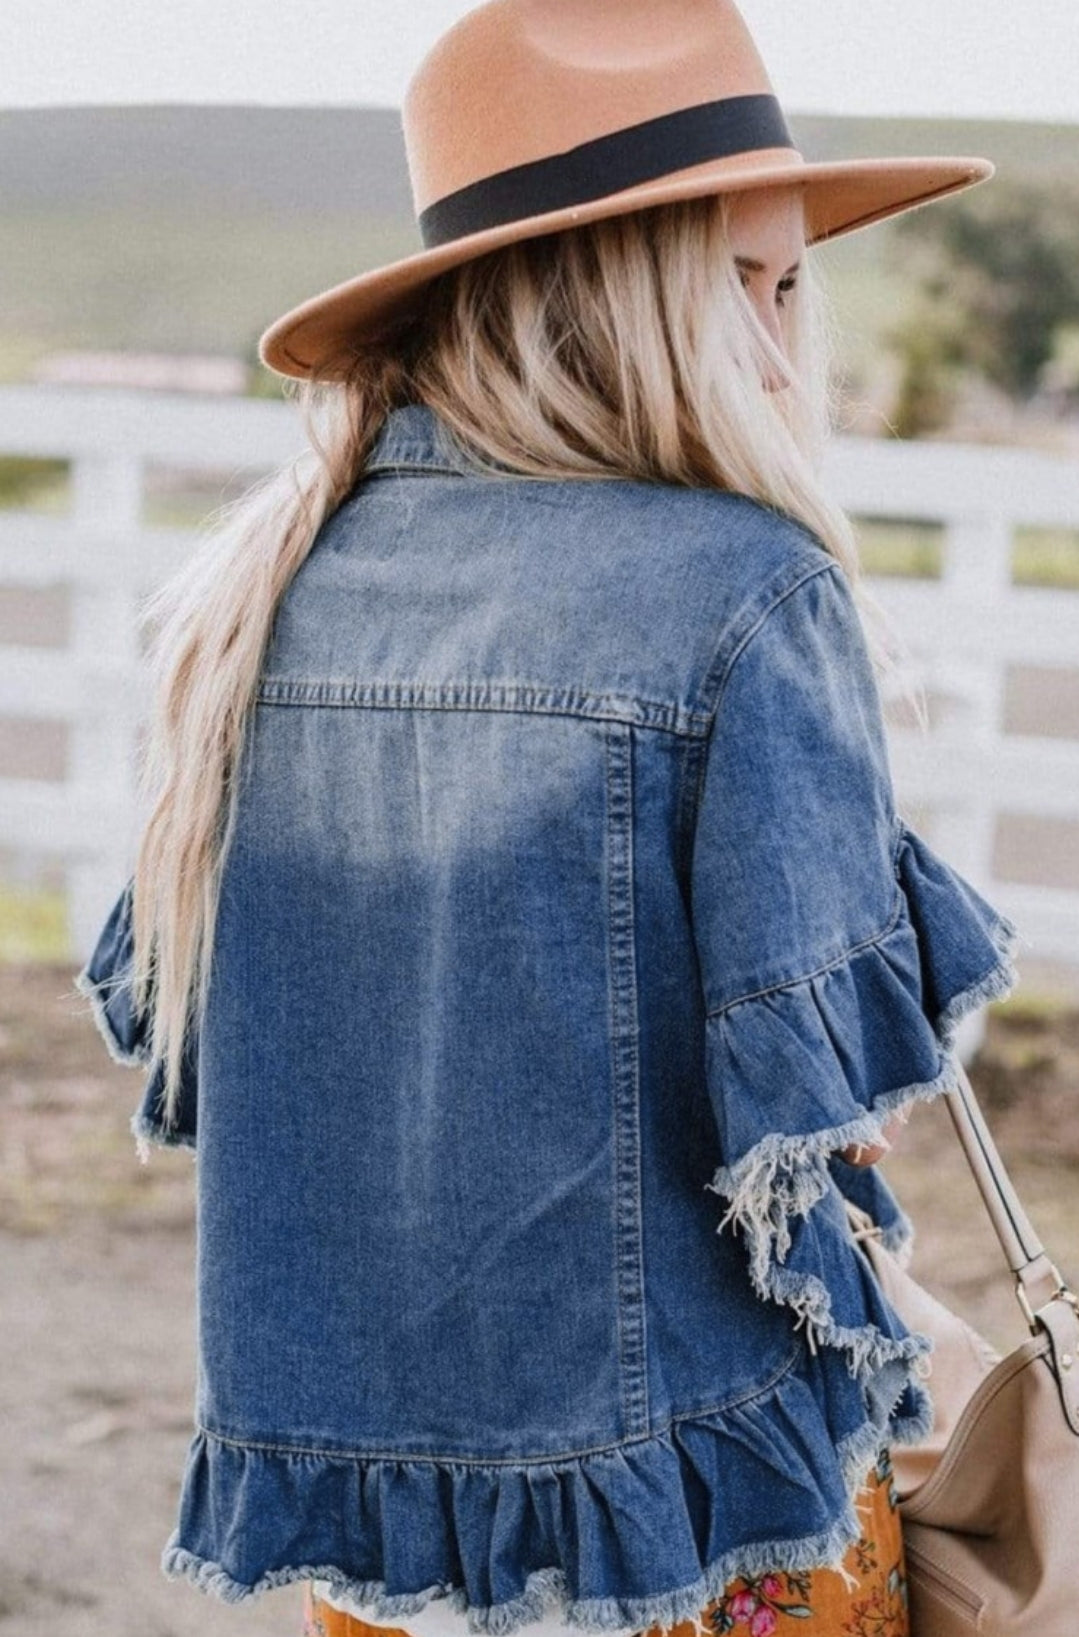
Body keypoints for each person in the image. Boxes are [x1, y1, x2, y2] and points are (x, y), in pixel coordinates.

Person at [72, 3, 1022, 1636]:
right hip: (699, 1535)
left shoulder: (267, 595)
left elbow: (263, 1087)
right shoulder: (745, 593)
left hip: (389, 1565)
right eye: (751, 283)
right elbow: (827, 1136)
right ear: (614, 289)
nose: (791, 348)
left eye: (799, 285)